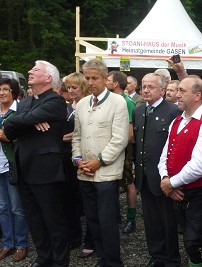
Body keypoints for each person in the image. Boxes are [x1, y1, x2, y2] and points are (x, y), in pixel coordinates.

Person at [3, 60, 70, 267]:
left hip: (46, 170)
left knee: (53, 219)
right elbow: (9, 127)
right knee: (34, 218)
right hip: (24, 169)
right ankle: (44, 256)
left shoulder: (55, 101)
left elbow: (14, 123)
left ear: (48, 77)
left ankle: (60, 261)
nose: (30, 71)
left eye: (35, 70)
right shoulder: (25, 103)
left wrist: (23, 121)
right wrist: (29, 120)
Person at [158, 75, 202, 267]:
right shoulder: (177, 121)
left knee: (194, 241)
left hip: (199, 193)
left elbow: (201, 165)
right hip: (177, 189)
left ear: (197, 96)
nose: (177, 95)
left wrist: (171, 183)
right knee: (188, 238)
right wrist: (165, 177)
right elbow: (165, 155)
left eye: (182, 91)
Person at [72, 58, 129, 267]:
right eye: (87, 78)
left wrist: (100, 161)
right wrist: (78, 160)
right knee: (92, 220)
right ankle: (102, 257)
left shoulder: (118, 102)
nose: (90, 81)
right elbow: (77, 136)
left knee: (107, 221)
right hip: (84, 171)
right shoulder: (82, 104)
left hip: (106, 173)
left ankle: (113, 261)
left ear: (106, 79)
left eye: (95, 78)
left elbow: (120, 139)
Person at [134, 73, 181, 267]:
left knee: (168, 221)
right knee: (151, 221)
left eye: (151, 87)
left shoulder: (173, 111)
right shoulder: (138, 111)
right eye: (144, 86)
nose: (145, 90)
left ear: (162, 90)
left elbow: (177, 147)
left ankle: (171, 259)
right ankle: (157, 256)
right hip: (145, 177)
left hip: (163, 177)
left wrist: (172, 177)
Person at [63, 72, 95, 259]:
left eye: (75, 87)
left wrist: (66, 137)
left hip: (86, 157)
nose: (71, 91)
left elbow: (78, 133)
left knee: (88, 202)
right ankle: (74, 236)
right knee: (71, 201)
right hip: (67, 159)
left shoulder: (90, 106)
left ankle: (91, 239)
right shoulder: (65, 107)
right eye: (69, 87)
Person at [0, 78, 29, 262]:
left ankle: (21, 244)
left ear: (13, 92)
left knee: (17, 207)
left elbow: (25, 140)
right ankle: (7, 243)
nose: (2, 93)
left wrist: (7, 137)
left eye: (5, 89)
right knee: (2, 207)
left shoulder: (19, 112)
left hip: (12, 165)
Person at [107, 70, 138, 234]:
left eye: (108, 80)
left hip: (123, 148)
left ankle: (131, 219)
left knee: (128, 183)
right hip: (112, 148)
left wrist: (118, 149)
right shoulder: (111, 100)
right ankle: (115, 215)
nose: (106, 82)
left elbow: (130, 132)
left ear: (116, 83)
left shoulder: (127, 102)